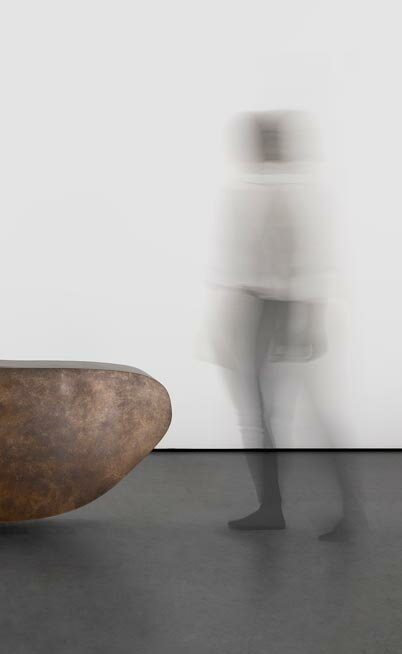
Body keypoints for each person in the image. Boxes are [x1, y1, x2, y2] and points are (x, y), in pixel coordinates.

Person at [209, 111, 363, 540]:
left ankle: (343, 510)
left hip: (281, 308)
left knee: (303, 412)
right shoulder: (255, 189)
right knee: (263, 414)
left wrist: (305, 320)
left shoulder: (293, 191)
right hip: (260, 309)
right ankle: (273, 506)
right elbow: (244, 263)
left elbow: (309, 260)